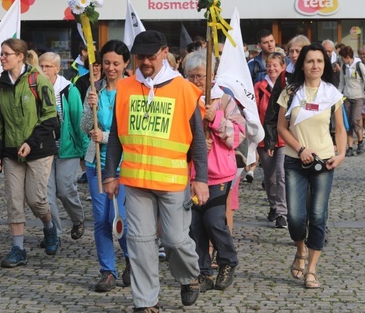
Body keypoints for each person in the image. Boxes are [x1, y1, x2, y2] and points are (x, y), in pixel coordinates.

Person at [102, 30, 209, 312]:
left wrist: (200, 179)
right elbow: (115, 135)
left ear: (164, 52)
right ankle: (146, 301)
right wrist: (109, 174)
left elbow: (198, 138)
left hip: (174, 181)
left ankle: (189, 276)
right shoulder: (125, 87)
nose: (145, 62)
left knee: (175, 239)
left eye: (150, 56)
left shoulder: (184, 88)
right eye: (140, 57)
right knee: (140, 242)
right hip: (136, 180)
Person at [277, 42, 347, 289]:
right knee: (295, 216)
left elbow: (340, 130)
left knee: (318, 215)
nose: (315, 65)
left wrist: (340, 155)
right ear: (302, 65)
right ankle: (300, 250)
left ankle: (312, 269)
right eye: (310, 61)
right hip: (295, 160)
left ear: (324, 64)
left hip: (324, 162)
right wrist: (301, 149)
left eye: (319, 61)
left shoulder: (332, 93)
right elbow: (281, 128)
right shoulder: (290, 91)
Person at [0, 38, 60, 269]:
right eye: (1, 54)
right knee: (14, 201)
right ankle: (18, 248)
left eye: (7, 54)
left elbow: (50, 117)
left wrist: (31, 142)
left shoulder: (37, 81)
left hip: (38, 151)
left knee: (36, 200)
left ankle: (50, 228)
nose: (2, 58)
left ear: (20, 56)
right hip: (11, 153)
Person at [184, 50, 243, 292]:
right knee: (195, 225)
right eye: (191, 76)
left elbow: (238, 135)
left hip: (219, 172)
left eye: (200, 76)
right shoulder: (184, 100)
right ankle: (203, 271)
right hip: (192, 171)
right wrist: (193, 144)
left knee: (214, 220)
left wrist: (216, 120)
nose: (196, 81)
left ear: (211, 76)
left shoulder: (225, 100)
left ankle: (228, 261)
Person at [80, 40, 132, 293]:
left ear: (125, 64)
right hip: (96, 165)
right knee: (101, 220)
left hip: (124, 166)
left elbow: (132, 131)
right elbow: (84, 127)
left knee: (117, 217)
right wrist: (90, 110)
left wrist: (107, 136)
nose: (111, 68)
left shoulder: (133, 92)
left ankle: (132, 259)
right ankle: (107, 271)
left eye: (116, 63)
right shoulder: (95, 89)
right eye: (107, 63)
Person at [38, 52, 88, 246]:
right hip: (45, 150)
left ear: (58, 69)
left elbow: (78, 121)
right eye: (41, 65)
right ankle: (54, 233)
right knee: (46, 193)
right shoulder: (37, 90)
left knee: (65, 190)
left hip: (67, 149)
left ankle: (78, 219)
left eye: (48, 66)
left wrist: (84, 150)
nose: (44, 70)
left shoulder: (69, 90)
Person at [254, 52, 288, 228]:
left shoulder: (287, 87)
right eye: (269, 65)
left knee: (282, 173)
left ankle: (282, 212)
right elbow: (255, 113)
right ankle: (274, 206)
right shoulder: (259, 87)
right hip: (264, 138)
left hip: (283, 137)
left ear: (283, 67)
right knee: (270, 176)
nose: (272, 68)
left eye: (275, 65)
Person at [338, 46, 365, 156]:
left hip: (358, 96)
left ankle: (360, 142)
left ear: (348, 57)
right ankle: (349, 147)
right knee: (348, 123)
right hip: (347, 97)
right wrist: (337, 96)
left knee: (355, 120)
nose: (341, 60)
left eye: (342, 58)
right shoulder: (343, 67)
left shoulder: (359, 65)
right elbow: (341, 83)